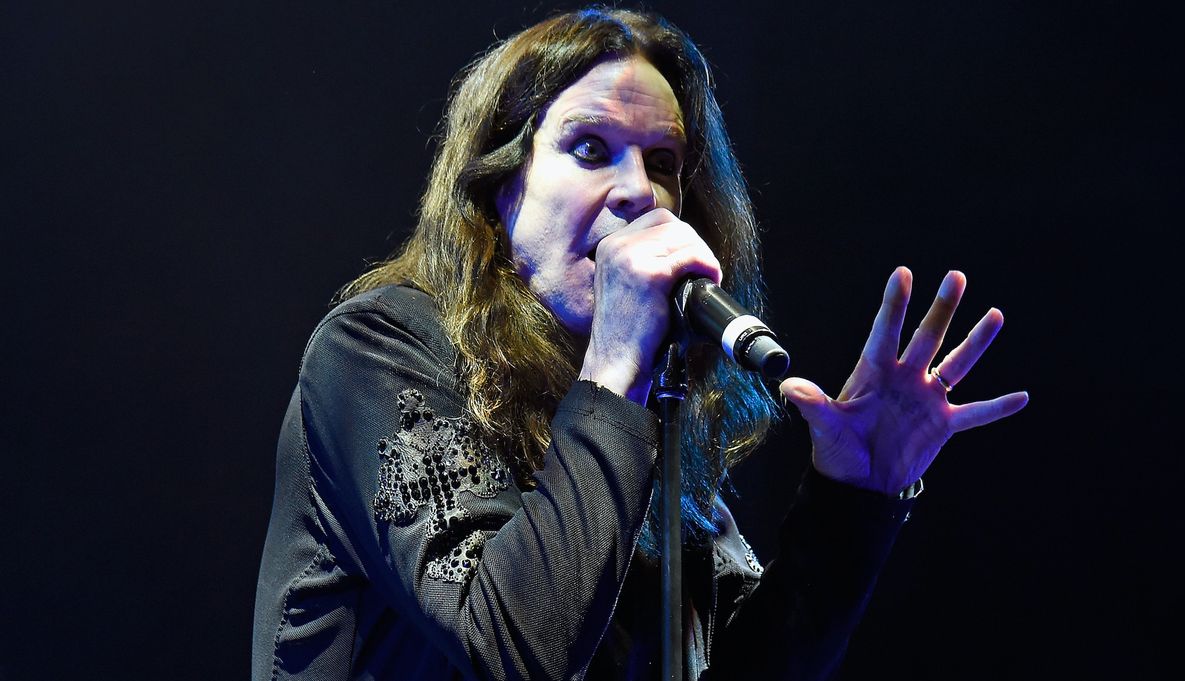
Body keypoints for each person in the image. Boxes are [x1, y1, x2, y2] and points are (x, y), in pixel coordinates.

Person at [252, 8, 1027, 680]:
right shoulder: (376, 348)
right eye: (591, 148)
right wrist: (616, 365)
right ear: (500, 187)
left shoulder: (650, 406)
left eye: (663, 162)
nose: (640, 192)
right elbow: (514, 649)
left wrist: (852, 499)